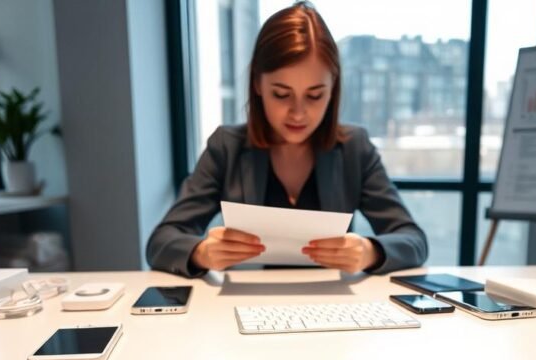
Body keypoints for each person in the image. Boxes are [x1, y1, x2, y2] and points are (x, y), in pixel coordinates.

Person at [146, 1, 428, 277]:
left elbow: (413, 240)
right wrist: (202, 252)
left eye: (315, 95)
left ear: (333, 89)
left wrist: (369, 251)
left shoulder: (355, 147)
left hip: (335, 305)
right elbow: (161, 241)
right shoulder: (226, 147)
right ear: (257, 83)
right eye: (281, 94)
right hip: (241, 305)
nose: (298, 113)